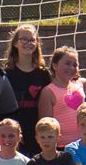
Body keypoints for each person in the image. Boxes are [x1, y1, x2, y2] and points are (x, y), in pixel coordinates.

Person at [4, 23, 51, 154]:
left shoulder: (43, 74)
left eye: (32, 40)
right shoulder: (6, 74)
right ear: (15, 43)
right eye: (24, 39)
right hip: (13, 136)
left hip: (37, 135)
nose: (28, 43)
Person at [37, 45, 86, 146]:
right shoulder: (48, 92)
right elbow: (45, 126)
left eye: (75, 65)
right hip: (62, 147)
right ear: (55, 65)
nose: (71, 68)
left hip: (82, 145)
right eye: (67, 63)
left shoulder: (80, 83)